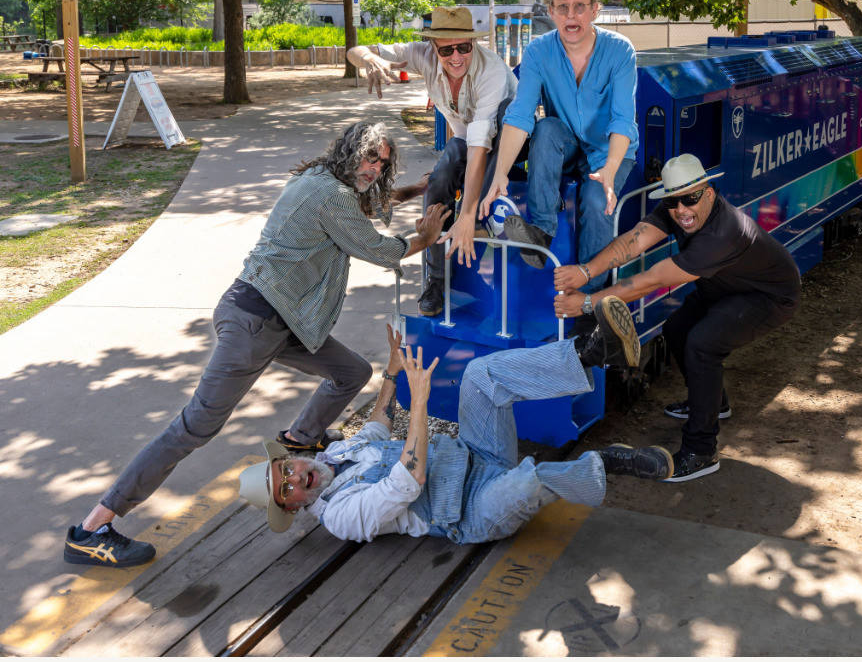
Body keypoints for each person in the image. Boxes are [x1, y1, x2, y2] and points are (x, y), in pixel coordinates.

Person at [63, 122, 451, 568]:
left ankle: (300, 440)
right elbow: (380, 249)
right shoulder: (331, 195)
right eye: (370, 158)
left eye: (382, 163)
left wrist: (411, 190)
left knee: (351, 373)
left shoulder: (321, 179)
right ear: (350, 152)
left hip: (280, 320)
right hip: (256, 323)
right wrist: (424, 238)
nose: (375, 168)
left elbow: (361, 208)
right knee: (193, 428)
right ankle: (92, 529)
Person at [238, 299, 674, 543]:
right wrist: (419, 400)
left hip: (475, 453)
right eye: (287, 490)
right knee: (526, 483)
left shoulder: (336, 454)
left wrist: (392, 370)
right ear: (292, 508)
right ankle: (607, 464)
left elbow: (375, 426)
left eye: (286, 469)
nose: (296, 478)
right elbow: (407, 481)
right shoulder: (341, 517)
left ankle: (591, 353)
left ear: (291, 459)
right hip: (473, 510)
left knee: (480, 374)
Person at [553, 154, 801, 482]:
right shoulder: (679, 209)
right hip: (726, 284)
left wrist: (587, 303)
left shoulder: (721, 234)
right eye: (673, 201)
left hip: (768, 295)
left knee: (702, 345)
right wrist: (586, 272)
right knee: (677, 329)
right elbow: (635, 240)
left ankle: (701, 451)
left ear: (708, 193)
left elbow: (653, 279)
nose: (682, 209)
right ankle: (713, 403)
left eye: (690, 198)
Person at [479, 0, 639, 316]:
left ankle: (590, 304)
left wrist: (610, 171)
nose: (571, 15)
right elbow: (520, 115)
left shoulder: (620, 51)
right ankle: (541, 233)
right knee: (547, 127)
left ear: (595, 9)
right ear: (551, 11)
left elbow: (623, 120)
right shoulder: (538, 51)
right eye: (562, 6)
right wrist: (500, 174)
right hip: (564, 143)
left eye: (579, 6)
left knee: (597, 201)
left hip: (608, 150)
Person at [347, 6, 519, 317]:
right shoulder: (421, 55)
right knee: (442, 174)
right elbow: (353, 52)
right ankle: (437, 280)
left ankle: (480, 227)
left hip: (511, 146)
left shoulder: (491, 70)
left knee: (468, 148)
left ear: (473, 43)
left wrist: (468, 213)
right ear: (433, 47)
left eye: (463, 47)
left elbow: (481, 143)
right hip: (469, 142)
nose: (456, 57)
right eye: (446, 50)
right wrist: (370, 58)